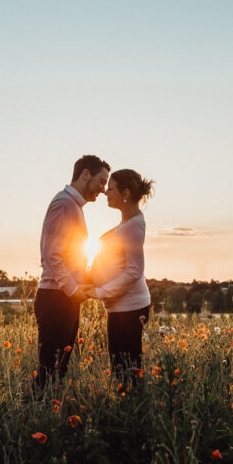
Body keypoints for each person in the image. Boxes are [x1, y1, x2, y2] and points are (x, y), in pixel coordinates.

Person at [34, 155, 110, 386]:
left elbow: (69, 256)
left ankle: (49, 414)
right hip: (56, 297)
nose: (103, 189)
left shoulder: (72, 206)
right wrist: (72, 289)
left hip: (63, 296)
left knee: (58, 368)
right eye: (101, 181)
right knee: (50, 370)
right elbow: (52, 255)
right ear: (85, 174)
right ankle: (37, 415)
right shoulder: (65, 204)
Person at [88, 169, 154, 376]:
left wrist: (100, 291)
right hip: (120, 307)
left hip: (130, 308)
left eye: (110, 189)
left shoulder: (134, 226)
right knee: (121, 368)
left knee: (127, 371)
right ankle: (129, 405)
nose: (106, 193)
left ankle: (134, 407)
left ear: (125, 193)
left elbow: (134, 271)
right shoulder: (126, 223)